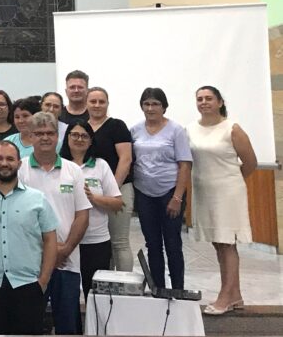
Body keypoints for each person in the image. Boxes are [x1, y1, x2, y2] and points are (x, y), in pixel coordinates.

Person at [0, 140, 57, 335]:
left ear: (19, 163)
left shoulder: (37, 199)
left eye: (10, 159)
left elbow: (50, 239)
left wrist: (43, 280)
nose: (4, 163)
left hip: (28, 285)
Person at [18, 112, 90, 334]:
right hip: (31, 262)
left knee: (68, 324)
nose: (45, 138)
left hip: (67, 260)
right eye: (39, 133)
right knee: (30, 324)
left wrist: (65, 249)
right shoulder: (19, 169)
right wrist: (46, 252)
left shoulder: (73, 170)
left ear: (58, 136)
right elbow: (16, 217)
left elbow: (82, 215)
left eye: (50, 133)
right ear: (30, 137)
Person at [188, 86, 257, 315]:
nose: (204, 102)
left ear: (219, 102)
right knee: (218, 243)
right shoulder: (191, 129)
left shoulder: (232, 128)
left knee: (227, 243)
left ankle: (225, 296)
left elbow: (250, 163)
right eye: (200, 99)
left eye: (209, 98)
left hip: (228, 193)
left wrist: (229, 182)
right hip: (203, 192)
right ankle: (235, 295)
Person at [130, 87, 192, 291]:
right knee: (152, 244)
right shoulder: (135, 130)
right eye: (146, 104)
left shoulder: (176, 130)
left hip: (169, 192)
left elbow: (185, 164)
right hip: (144, 193)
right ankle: (158, 290)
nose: (150, 108)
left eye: (155, 103)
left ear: (164, 107)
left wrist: (177, 197)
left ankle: (178, 290)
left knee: (173, 243)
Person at [60, 119, 122, 298]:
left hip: (96, 240)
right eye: (75, 135)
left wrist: (93, 199)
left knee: (95, 295)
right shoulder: (58, 164)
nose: (79, 139)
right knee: (67, 296)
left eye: (84, 136)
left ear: (90, 141)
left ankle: (95, 327)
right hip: (65, 241)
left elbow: (118, 203)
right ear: (67, 138)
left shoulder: (100, 165)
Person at [84, 87, 133, 270]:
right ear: (86, 103)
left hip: (118, 191)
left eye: (101, 101)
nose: (97, 105)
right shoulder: (83, 127)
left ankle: (125, 288)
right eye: (93, 101)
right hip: (91, 193)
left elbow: (125, 159)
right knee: (103, 243)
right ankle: (106, 290)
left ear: (107, 103)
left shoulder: (117, 126)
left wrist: (112, 190)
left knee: (119, 242)